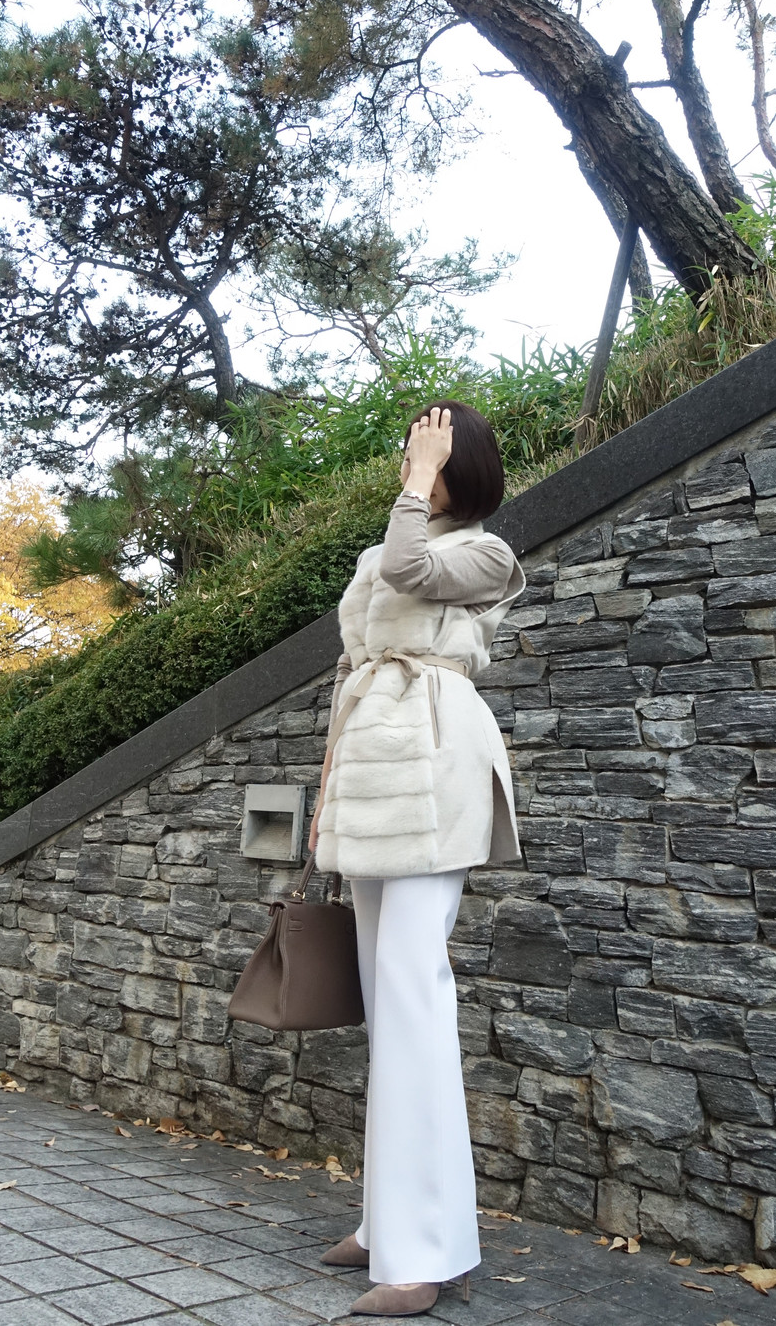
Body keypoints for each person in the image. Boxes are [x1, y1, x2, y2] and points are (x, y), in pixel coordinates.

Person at [307, 401, 526, 1317]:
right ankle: (388, 1221)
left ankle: (428, 1249)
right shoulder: (382, 551)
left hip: (434, 763)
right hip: (371, 768)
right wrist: (327, 794)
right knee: (385, 999)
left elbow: (411, 568)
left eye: (426, 451)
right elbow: (351, 664)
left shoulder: (486, 552)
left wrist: (418, 479)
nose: (412, 461)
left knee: (413, 991)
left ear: (456, 463)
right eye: (411, 450)